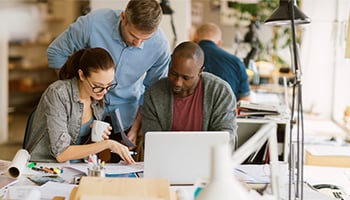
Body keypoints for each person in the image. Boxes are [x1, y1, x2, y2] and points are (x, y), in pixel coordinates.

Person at [46, 0, 171, 159]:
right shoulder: (93, 24)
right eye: (133, 35)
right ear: (124, 17)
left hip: (125, 115)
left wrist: (135, 128)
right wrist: (76, 95)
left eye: (145, 39)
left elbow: (152, 91)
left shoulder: (160, 46)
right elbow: (55, 53)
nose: (137, 43)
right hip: (83, 113)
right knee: (74, 165)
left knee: (121, 170)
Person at [25, 48, 135, 164]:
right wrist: (107, 144)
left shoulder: (97, 99)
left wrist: (96, 137)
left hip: (79, 167)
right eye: (98, 85)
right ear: (82, 75)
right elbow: (61, 154)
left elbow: (87, 150)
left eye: (109, 85)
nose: (104, 92)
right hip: (45, 165)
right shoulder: (58, 93)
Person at [142, 41, 237, 150]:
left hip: (208, 162)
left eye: (186, 78)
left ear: (200, 71)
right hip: (167, 162)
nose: (178, 82)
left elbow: (225, 140)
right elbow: (152, 144)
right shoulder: (154, 94)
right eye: (173, 74)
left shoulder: (220, 92)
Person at [194, 22, 251, 101]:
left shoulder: (183, 59)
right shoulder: (236, 62)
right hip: (228, 112)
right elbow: (245, 101)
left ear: (195, 40)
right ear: (220, 43)